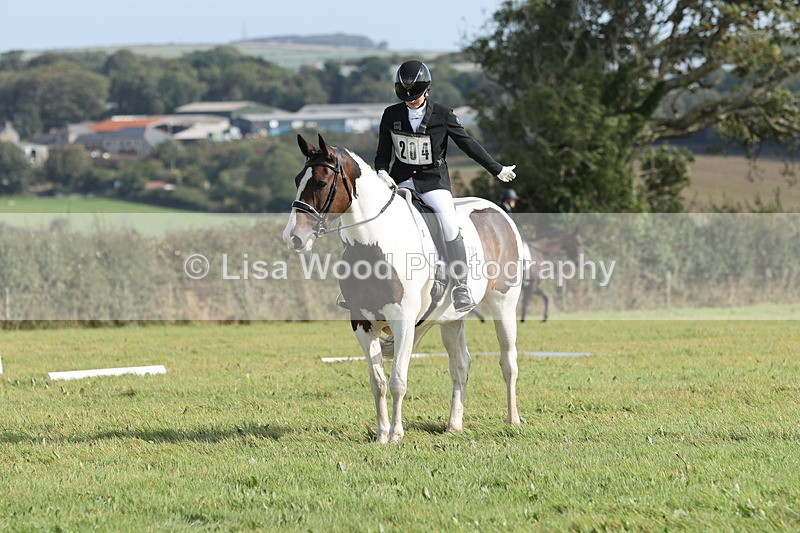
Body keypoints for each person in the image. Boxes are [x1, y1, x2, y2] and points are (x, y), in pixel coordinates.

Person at [374, 59, 517, 313]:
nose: (411, 101)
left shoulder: (443, 114)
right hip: (400, 180)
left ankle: (460, 284)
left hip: (433, 182)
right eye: (407, 97)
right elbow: (383, 152)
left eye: (416, 97)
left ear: (427, 90)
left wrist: (497, 169)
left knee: (449, 223)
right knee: (375, 220)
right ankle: (363, 287)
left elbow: (468, 144)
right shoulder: (391, 115)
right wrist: (382, 172)